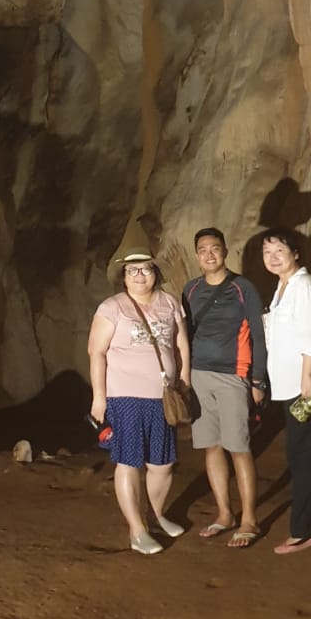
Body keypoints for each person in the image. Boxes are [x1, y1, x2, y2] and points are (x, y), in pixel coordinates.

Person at [88, 250, 191, 556]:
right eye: (132, 270)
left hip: (162, 397)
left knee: (163, 463)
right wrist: (99, 397)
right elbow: (96, 352)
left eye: (145, 269)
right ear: (123, 276)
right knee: (129, 461)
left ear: (155, 272)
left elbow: (180, 344)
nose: (140, 276)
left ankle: (155, 514)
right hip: (125, 397)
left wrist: (184, 379)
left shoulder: (170, 303)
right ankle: (137, 529)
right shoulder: (112, 308)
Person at [182, 227, 267, 548]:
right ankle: (224, 514)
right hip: (199, 376)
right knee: (211, 445)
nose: (209, 254)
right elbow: (183, 334)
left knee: (239, 447)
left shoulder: (243, 288)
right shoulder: (190, 289)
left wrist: (258, 380)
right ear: (197, 256)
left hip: (234, 376)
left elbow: (259, 335)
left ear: (225, 251)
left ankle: (249, 520)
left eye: (214, 248)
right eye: (203, 250)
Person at [263, 227, 311, 556]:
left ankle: (305, 530)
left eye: (280, 251)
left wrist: (307, 378)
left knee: (300, 455)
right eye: (267, 253)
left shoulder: (304, 286)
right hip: (288, 382)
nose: (273, 258)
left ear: (295, 253)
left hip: (302, 383)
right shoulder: (284, 286)